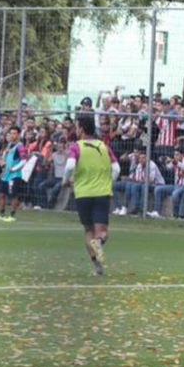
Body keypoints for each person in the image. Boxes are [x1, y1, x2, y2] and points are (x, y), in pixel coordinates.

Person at [63, 116, 120, 276]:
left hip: (83, 193)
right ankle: (99, 242)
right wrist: (108, 182)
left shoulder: (76, 147)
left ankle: (96, 265)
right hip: (102, 193)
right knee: (102, 230)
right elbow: (116, 169)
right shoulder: (104, 146)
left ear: (81, 129)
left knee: (88, 229)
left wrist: (65, 181)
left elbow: (69, 166)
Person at [0, 127, 26, 222]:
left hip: (14, 175)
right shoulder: (9, 145)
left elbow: (24, 160)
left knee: (13, 195)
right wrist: (2, 163)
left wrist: (14, 169)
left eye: (14, 133)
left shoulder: (20, 146)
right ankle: (2, 214)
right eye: (11, 133)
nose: (12, 135)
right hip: (6, 175)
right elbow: (5, 158)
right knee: (1, 194)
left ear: (19, 135)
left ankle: (12, 216)